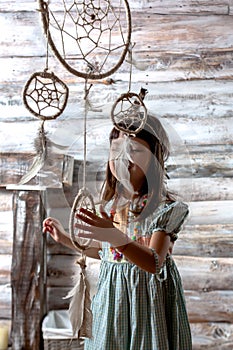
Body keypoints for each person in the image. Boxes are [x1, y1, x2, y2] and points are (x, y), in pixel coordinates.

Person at [43, 114, 192, 349]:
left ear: (155, 158)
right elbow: (109, 254)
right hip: (113, 300)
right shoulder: (112, 207)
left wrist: (113, 236)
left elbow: (154, 263)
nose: (124, 157)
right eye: (117, 150)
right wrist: (66, 239)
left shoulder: (163, 209)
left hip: (146, 302)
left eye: (134, 150)